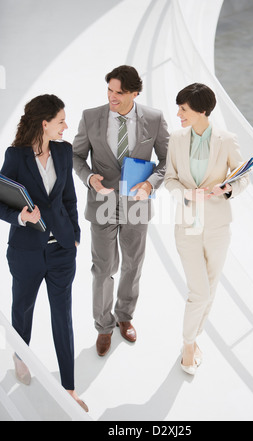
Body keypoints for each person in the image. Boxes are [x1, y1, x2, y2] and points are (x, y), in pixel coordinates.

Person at [73, 65, 169, 356]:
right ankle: (103, 326)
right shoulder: (91, 117)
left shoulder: (153, 119)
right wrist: (89, 178)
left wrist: (150, 186)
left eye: (120, 92)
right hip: (101, 203)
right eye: (110, 90)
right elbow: (76, 155)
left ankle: (124, 316)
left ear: (134, 93)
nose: (112, 97)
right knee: (103, 269)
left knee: (132, 264)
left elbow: (166, 161)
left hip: (137, 205)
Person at [0, 94, 88, 412]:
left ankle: (69, 389)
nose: (66, 126)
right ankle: (19, 355)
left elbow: (69, 198)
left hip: (62, 251)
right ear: (45, 123)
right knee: (23, 311)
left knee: (62, 318)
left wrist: (74, 235)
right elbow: (1, 200)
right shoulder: (15, 156)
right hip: (25, 252)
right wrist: (21, 217)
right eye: (61, 120)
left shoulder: (63, 152)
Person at [164, 83, 249, 375]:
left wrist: (226, 190)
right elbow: (170, 180)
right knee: (198, 291)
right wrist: (187, 194)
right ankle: (188, 343)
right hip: (187, 222)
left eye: (183, 109)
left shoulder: (226, 140)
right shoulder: (176, 139)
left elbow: (243, 179)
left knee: (209, 289)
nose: (178, 114)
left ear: (202, 111)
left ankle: (195, 338)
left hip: (217, 226)